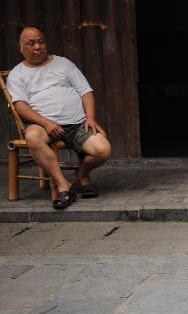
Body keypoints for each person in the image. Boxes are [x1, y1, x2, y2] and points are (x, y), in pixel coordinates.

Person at [6, 26, 112, 210]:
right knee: (32, 137)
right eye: (31, 44)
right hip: (42, 126)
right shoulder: (18, 73)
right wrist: (46, 123)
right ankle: (64, 185)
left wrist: (91, 118)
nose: (37, 47)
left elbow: (85, 91)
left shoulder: (64, 64)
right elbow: (21, 107)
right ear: (21, 48)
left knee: (103, 150)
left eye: (41, 41)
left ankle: (82, 173)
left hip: (77, 123)